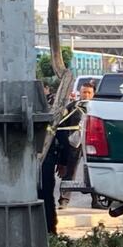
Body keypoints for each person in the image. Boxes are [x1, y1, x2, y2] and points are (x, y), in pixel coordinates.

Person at [39, 86, 71, 235]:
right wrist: (63, 162)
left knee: (40, 195)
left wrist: (63, 162)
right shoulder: (53, 111)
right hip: (46, 160)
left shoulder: (21, 107)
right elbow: (64, 139)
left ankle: (46, 231)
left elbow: (63, 138)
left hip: (28, 161)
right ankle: (49, 232)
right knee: (46, 196)